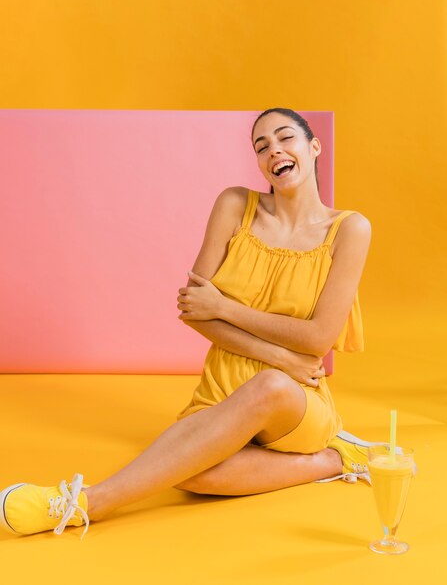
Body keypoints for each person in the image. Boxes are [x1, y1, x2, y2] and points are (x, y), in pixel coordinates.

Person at [0, 108, 388, 541]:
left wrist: (223, 306)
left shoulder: (350, 229)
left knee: (270, 387)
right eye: (261, 146)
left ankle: (83, 503)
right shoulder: (235, 205)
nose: (274, 150)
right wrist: (278, 353)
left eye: (285, 139)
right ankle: (337, 460)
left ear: (313, 147)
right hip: (220, 392)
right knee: (188, 474)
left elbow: (318, 339)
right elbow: (193, 310)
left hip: (296, 404)